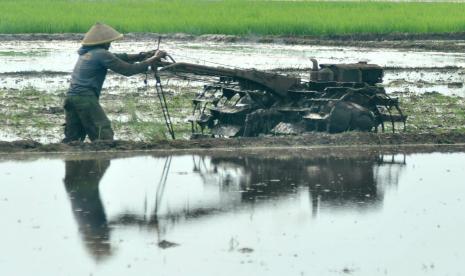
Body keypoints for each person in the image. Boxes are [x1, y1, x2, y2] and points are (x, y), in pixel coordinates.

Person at [63, 22, 166, 142]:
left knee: (73, 138)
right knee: (104, 135)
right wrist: (153, 59)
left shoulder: (88, 53)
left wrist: (142, 56)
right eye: (109, 42)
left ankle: (70, 158)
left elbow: (120, 57)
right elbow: (128, 70)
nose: (110, 44)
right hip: (85, 99)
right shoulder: (102, 54)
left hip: (71, 98)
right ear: (104, 42)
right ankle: (103, 157)